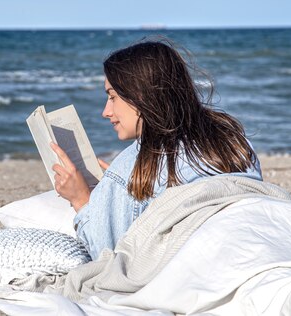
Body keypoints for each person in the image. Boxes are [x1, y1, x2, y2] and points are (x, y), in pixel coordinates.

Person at [50, 38, 263, 260]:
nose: (106, 111)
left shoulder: (131, 165)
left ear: (139, 96)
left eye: (112, 97)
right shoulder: (232, 139)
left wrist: (81, 199)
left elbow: (106, 255)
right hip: (247, 240)